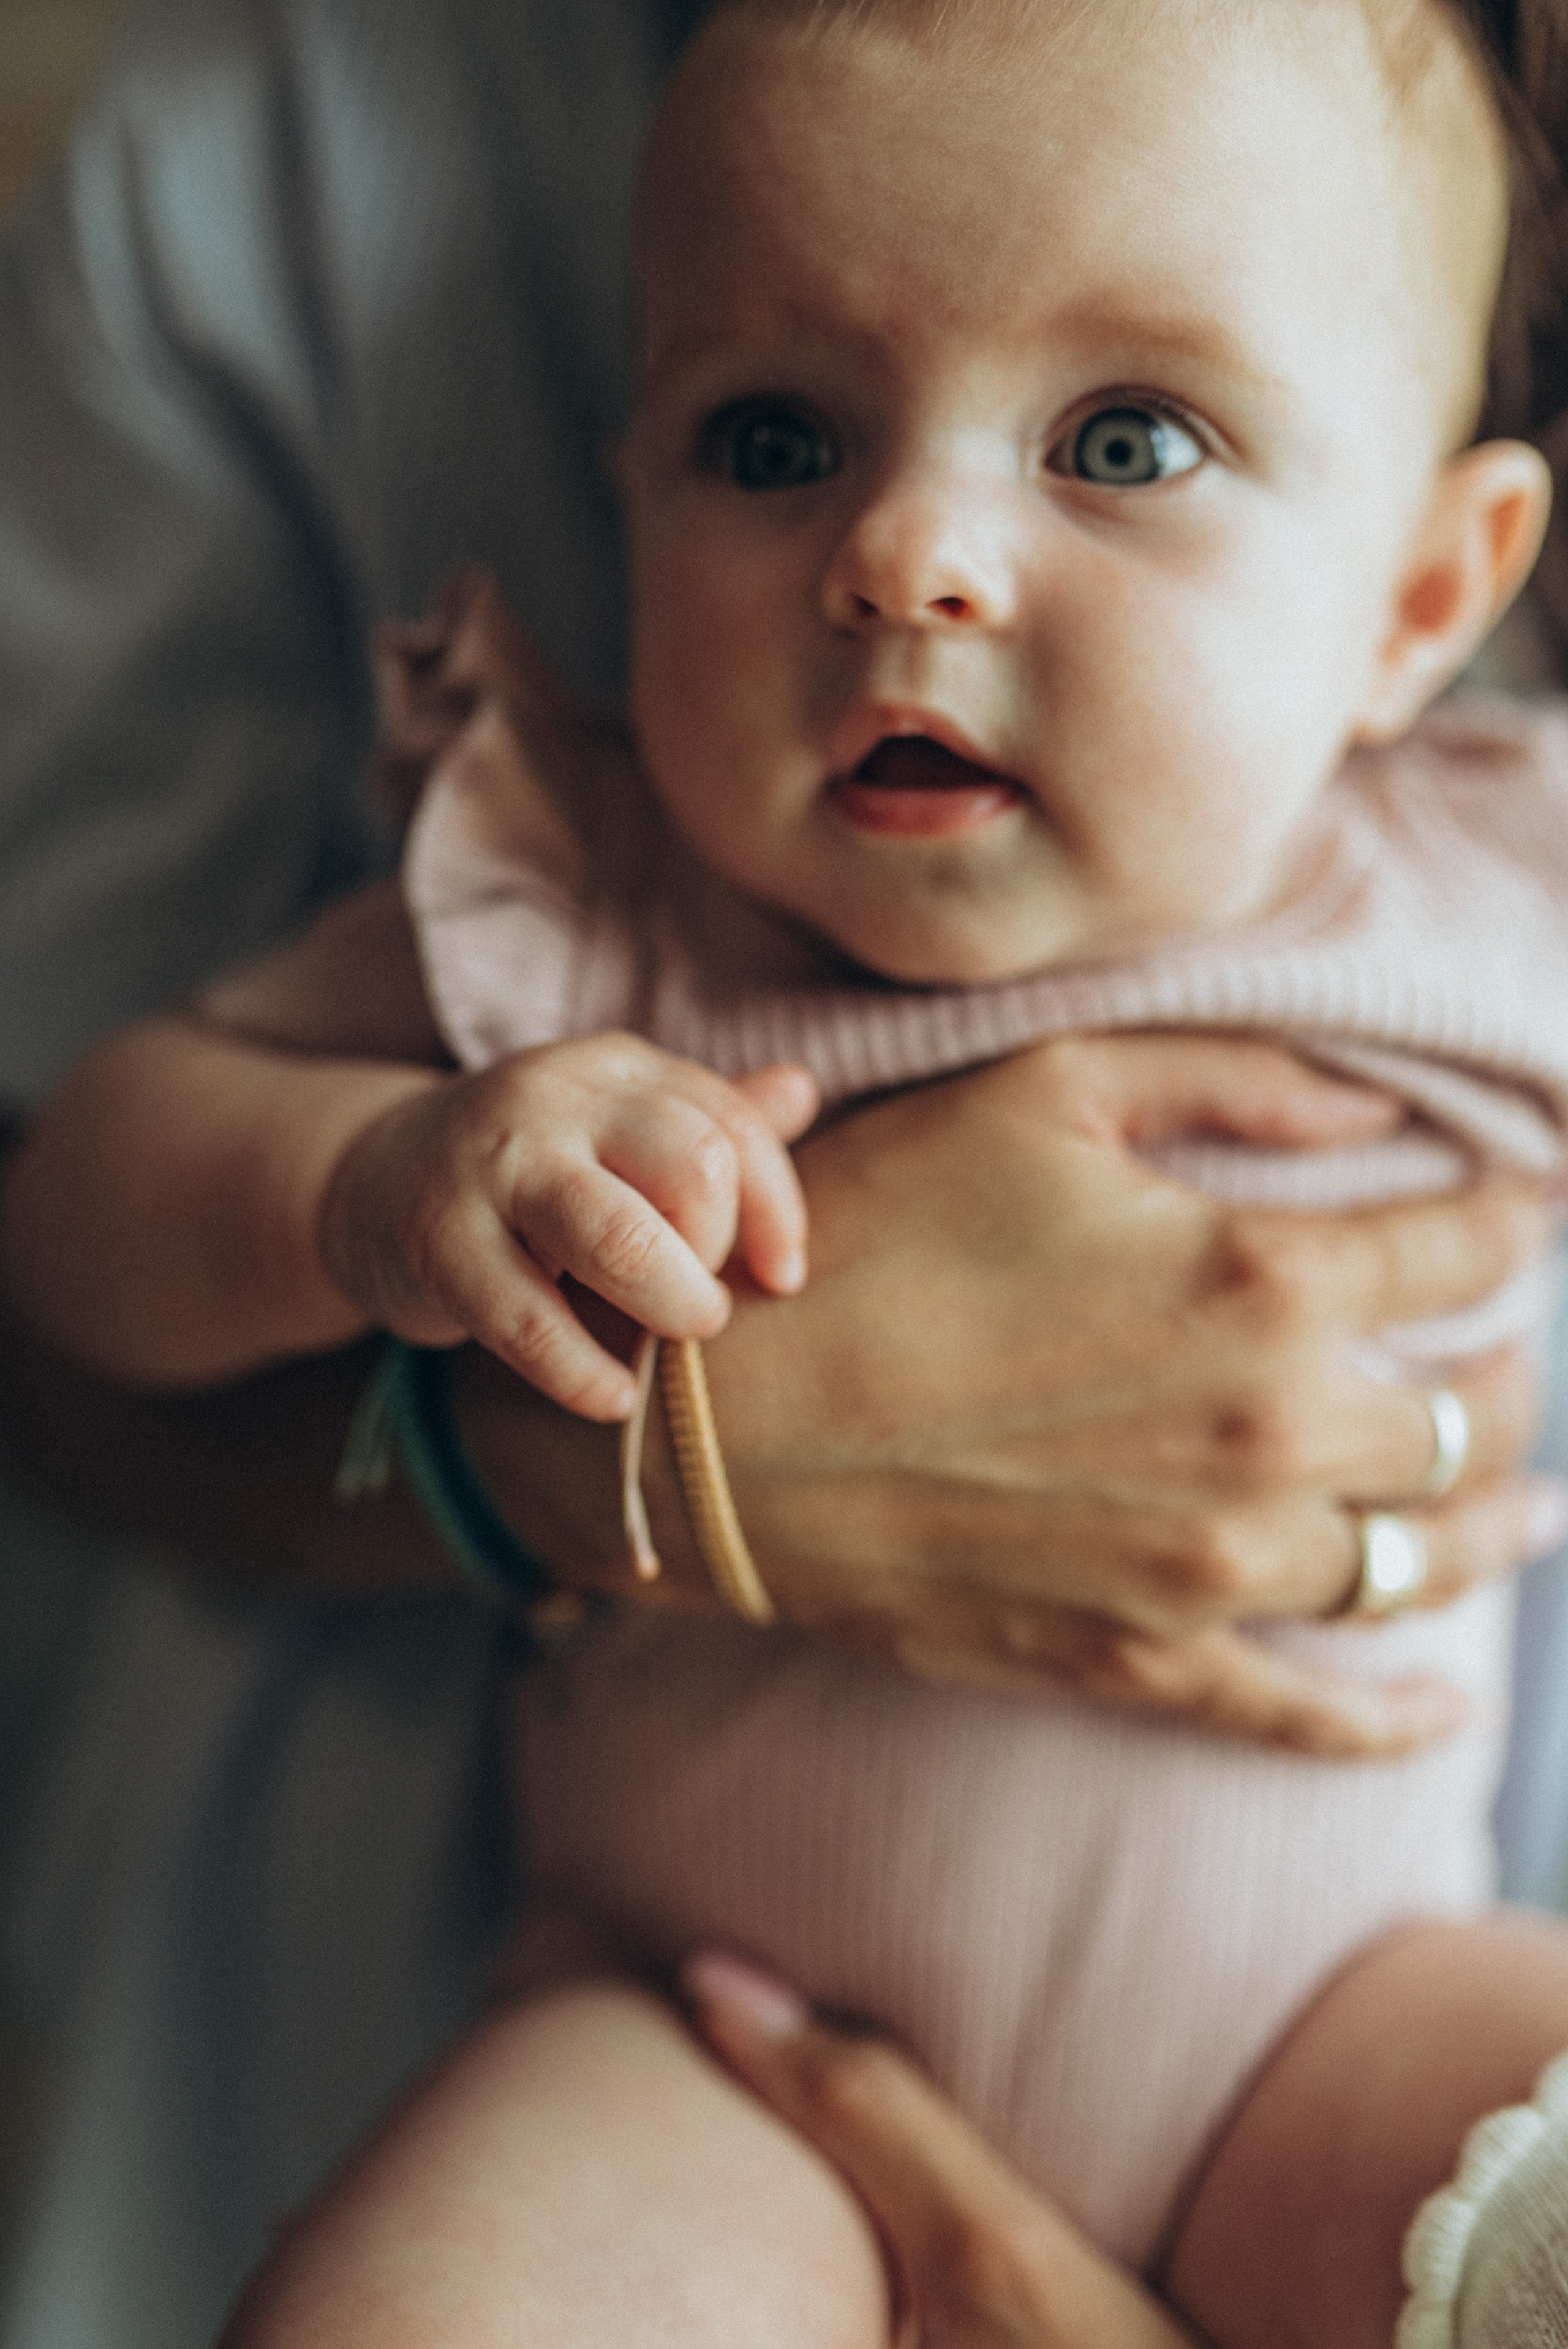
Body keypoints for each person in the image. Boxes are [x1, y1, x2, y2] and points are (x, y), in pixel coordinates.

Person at [0, 1, 1564, 2344]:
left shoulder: (1486, 897)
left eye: (1124, 439)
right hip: (705, 2043)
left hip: (1341, 2018)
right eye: (772, 436)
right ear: (619, 484)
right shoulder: (586, 905)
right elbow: (78, 1200)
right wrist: (365, 1180)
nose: (906, 553)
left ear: (1425, 602)